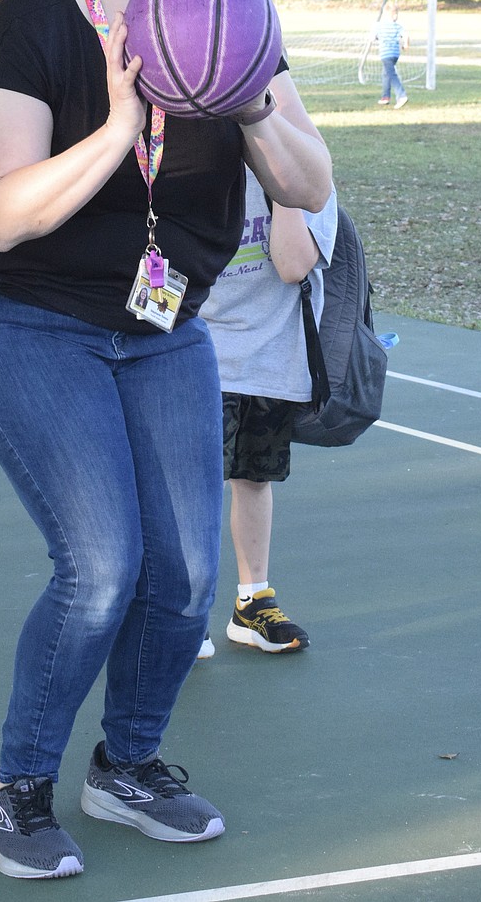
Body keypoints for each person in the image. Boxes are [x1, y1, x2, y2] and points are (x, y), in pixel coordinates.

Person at [0, 0, 332, 881]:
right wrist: (121, 124)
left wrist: (249, 103)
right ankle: (14, 789)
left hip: (160, 325)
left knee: (185, 565)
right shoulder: (25, 24)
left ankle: (129, 764)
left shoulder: (225, 12)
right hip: (21, 314)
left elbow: (309, 179)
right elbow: (8, 211)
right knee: (100, 564)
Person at [197, 166, 338, 659]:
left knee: (253, 479)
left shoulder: (307, 173)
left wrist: (282, 180)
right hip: (194, 348)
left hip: (269, 356)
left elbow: (292, 264)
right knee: (182, 485)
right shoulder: (187, 159)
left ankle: (251, 602)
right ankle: (180, 609)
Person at [374, 1, 409, 108]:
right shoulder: (398, 26)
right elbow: (406, 35)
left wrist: (373, 39)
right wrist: (406, 44)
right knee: (386, 73)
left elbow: (373, 37)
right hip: (395, 54)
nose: (396, 16)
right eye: (395, 14)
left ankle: (401, 95)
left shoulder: (380, 26)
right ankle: (385, 97)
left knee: (392, 74)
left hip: (386, 54)